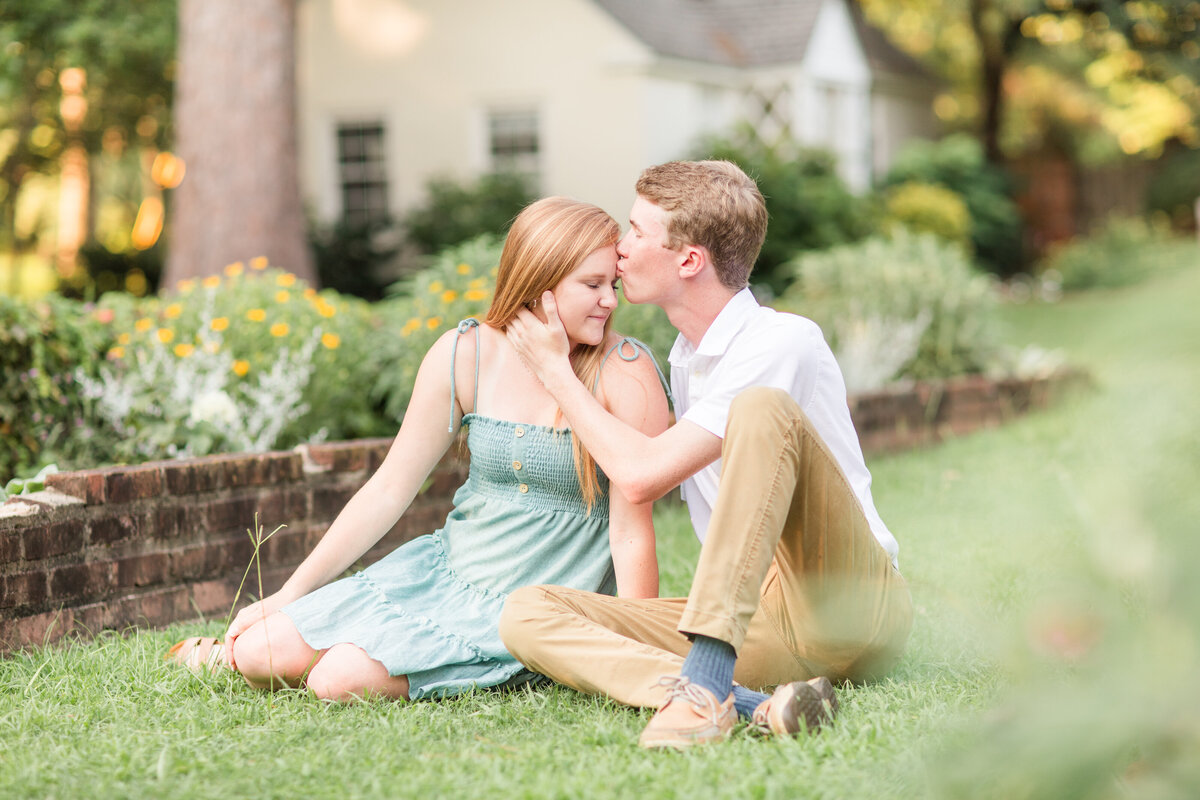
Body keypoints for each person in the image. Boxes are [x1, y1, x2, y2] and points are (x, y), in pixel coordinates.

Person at [166, 197, 671, 701]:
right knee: (258, 654)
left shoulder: (627, 370)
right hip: (448, 572)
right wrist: (290, 592)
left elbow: (631, 533)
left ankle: (344, 658)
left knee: (334, 682)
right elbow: (389, 489)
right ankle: (269, 648)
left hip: (537, 604)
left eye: (613, 284)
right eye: (592, 285)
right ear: (541, 281)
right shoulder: (466, 353)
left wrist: (636, 649)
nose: (610, 301)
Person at [499, 161, 913, 748]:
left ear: (688, 260)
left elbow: (641, 475)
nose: (620, 245)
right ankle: (750, 705)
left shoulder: (781, 340)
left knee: (761, 408)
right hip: (761, 625)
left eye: (638, 232)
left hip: (846, 600)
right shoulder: (686, 357)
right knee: (526, 612)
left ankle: (707, 679)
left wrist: (555, 372)